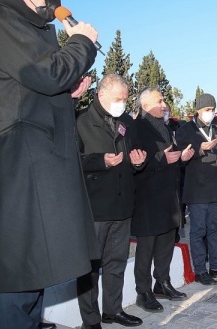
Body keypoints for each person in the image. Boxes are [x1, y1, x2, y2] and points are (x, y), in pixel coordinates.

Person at [0, 0, 100, 327]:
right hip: (17, 158)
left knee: (36, 265)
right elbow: (46, 73)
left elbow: (27, 88)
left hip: (30, 154)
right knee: (22, 266)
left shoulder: (21, 26)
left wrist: (66, 95)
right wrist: (81, 44)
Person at [76, 75, 146, 328]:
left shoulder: (126, 121)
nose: (123, 104)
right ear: (101, 94)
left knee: (116, 263)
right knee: (89, 267)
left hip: (123, 204)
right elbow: (71, 161)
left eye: (126, 99)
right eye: (118, 99)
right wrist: (100, 161)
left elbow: (136, 152)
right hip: (94, 207)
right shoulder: (80, 120)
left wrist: (139, 161)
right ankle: (91, 320)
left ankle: (112, 310)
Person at [132, 88, 193, 312]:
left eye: (164, 100)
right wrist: (162, 158)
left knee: (166, 243)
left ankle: (162, 282)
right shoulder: (137, 127)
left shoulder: (166, 127)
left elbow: (171, 156)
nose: (164, 104)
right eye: (159, 101)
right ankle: (143, 292)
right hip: (148, 198)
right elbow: (137, 160)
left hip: (169, 197)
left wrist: (181, 158)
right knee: (146, 248)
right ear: (146, 105)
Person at [176, 94, 217, 286]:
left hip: (216, 188)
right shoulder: (185, 130)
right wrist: (200, 148)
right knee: (198, 231)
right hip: (197, 189)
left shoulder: (215, 129)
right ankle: (201, 270)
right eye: (207, 109)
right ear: (198, 110)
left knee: (215, 229)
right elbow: (181, 156)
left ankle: (216, 266)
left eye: (213, 109)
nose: (210, 113)